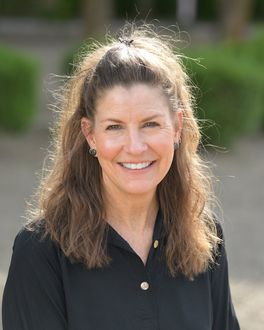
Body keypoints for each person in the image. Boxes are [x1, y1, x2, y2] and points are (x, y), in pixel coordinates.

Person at [2, 24, 240, 330]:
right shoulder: (41, 252)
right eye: (114, 127)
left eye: (151, 124)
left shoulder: (204, 236)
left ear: (177, 127)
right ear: (90, 135)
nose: (135, 147)